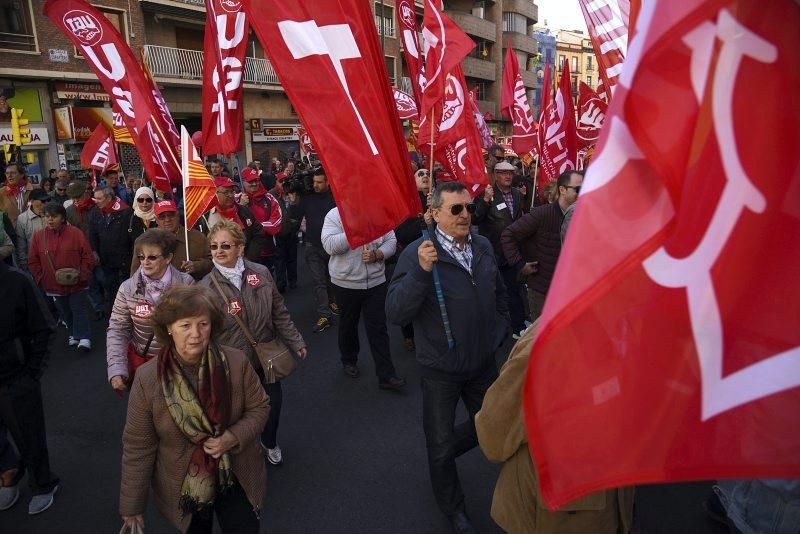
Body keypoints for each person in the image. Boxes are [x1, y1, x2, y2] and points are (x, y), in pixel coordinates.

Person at [386, 182, 510, 533]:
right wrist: (422, 273)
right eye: (456, 209)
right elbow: (396, 313)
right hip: (440, 369)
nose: (465, 215)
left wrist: (497, 334)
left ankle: (440, 453)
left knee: (494, 427)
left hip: (482, 362)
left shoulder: (483, 245)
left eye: (468, 208)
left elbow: (500, 294)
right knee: (440, 444)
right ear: (436, 214)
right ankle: (453, 507)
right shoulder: (417, 252)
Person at [119, 285, 269, 533]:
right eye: (185, 325)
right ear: (169, 328)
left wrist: (233, 437)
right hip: (183, 483)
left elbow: (260, 407)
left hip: (235, 472)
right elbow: (138, 445)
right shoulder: (148, 378)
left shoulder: (236, 361)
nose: (196, 334)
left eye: (203, 324)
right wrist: (132, 505)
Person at [475, 322, 635, 533]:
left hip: (610, 505)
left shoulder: (631, 333)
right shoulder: (544, 349)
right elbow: (493, 437)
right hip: (554, 514)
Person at [199, 220, 307, 466]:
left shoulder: (262, 273)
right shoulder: (204, 288)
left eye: (226, 245)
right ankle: (242, 455)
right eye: (213, 246)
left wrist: (295, 340)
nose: (218, 251)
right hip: (231, 365)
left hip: (265, 358)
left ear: (240, 248)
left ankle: (269, 442)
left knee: (272, 406)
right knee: (236, 414)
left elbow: (278, 312)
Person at [0, 258, 60, 515]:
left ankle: (43, 483)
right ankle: (8, 472)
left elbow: (45, 328)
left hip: (15, 378)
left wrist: (31, 374)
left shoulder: (16, 280)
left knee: (29, 435)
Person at [321, 207, 405, 389]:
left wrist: (378, 254)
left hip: (376, 281)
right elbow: (329, 245)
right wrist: (353, 231)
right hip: (345, 282)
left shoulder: (378, 213)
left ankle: (386, 374)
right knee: (348, 324)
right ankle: (349, 359)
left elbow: (391, 240)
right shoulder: (334, 215)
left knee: (378, 328)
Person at [107, 229, 195, 392]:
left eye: (152, 257)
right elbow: (118, 329)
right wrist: (116, 368)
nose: (145, 262)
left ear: (168, 258)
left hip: (180, 364)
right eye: (141, 257)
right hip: (145, 364)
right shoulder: (127, 288)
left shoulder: (186, 284)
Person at [501, 170, 584, 321]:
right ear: (562, 190)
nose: (583, 194)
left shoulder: (584, 215)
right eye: (578, 189)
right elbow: (508, 235)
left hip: (570, 291)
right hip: (543, 291)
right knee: (540, 339)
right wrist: (520, 264)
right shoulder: (542, 214)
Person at [28, 202, 95, 351]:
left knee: (79, 309)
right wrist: (42, 278)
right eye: (47, 216)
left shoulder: (76, 233)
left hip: (77, 281)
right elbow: (33, 261)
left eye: (54, 216)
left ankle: (84, 337)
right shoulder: (39, 236)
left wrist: (83, 274)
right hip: (53, 284)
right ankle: (73, 334)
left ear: (63, 218)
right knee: (65, 311)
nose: (50, 220)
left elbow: (87, 256)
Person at [473, 161, 527, 338]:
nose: (508, 176)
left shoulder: (516, 193)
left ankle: (517, 323)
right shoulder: (486, 194)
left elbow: (519, 217)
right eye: (503, 173)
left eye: (510, 173)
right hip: (495, 251)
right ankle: (510, 326)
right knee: (502, 290)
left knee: (514, 288)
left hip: (514, 249)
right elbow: (475, 219)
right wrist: (486, 201)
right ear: (495, 175)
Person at [289, 167, 337, 332]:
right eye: (314, 182)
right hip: (311, 246)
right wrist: (294, 201)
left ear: (328, 182)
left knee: (331, 277)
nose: (315, 185)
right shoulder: (306, 198)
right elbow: (294, 215)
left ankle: (332, 302)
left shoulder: (335, 198)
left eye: (319, 182)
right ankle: (325, 314)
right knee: (319, 281)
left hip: (331, 246)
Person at [130, 199, 212, 280]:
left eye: (171, 215)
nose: (167, 220)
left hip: (189, 290)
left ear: (177, 215)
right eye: (162, 217)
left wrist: (197, 266)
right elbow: (135, 274)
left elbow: (212, 262)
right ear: (156, 219)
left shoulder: (197, 237)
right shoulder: (144, 241)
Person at [89, 187, 133, 317]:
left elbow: (131, 237)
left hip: (124, 259)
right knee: (111, 289)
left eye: (99, 198)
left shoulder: (126, 211)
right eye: (94, 198)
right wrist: (94, 251)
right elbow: (92, 234)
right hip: (106, 259)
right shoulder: (95, 212)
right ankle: (115, 316)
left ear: (109, 198)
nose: (96, 201)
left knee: (127, 288)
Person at [206, 176, 264, 262]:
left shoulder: (244, 212)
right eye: (226, 192)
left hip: (242, 263)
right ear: (215, 193)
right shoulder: (205, 215)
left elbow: (258, 233)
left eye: (232, 191)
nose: (230, 195)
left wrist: (249, 258)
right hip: (215, 264)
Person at [237, 167, 282, 274]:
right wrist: (241, 206)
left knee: (266, 283)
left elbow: (276, 222)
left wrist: (256, 226)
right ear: (243, 182)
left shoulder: (269, 198)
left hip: (266, 250)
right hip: (244, 253)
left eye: (256, 180)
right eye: (250, 181)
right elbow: (230, 223)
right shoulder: (236, 199)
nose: (254, 184)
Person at [270, 179, 300, 293]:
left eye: (285, 181)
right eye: (280, 181)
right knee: (279, 260)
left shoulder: (292, 192)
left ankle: (293, 281)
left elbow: (298, 212)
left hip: (292, 232)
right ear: (276, 182)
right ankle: (281, 283)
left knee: (292, 258)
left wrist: (293, 202)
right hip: (278, 233)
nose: (283, 183)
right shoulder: (271, 194)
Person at [14, 189, 50, 272]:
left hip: (53, 259)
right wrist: (24, 263)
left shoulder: (52, 214)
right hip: (35, 262)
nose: (46, 203)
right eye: (43, 200)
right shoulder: (22, 219)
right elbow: (21, 244)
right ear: (32, 201)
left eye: (47, 200)